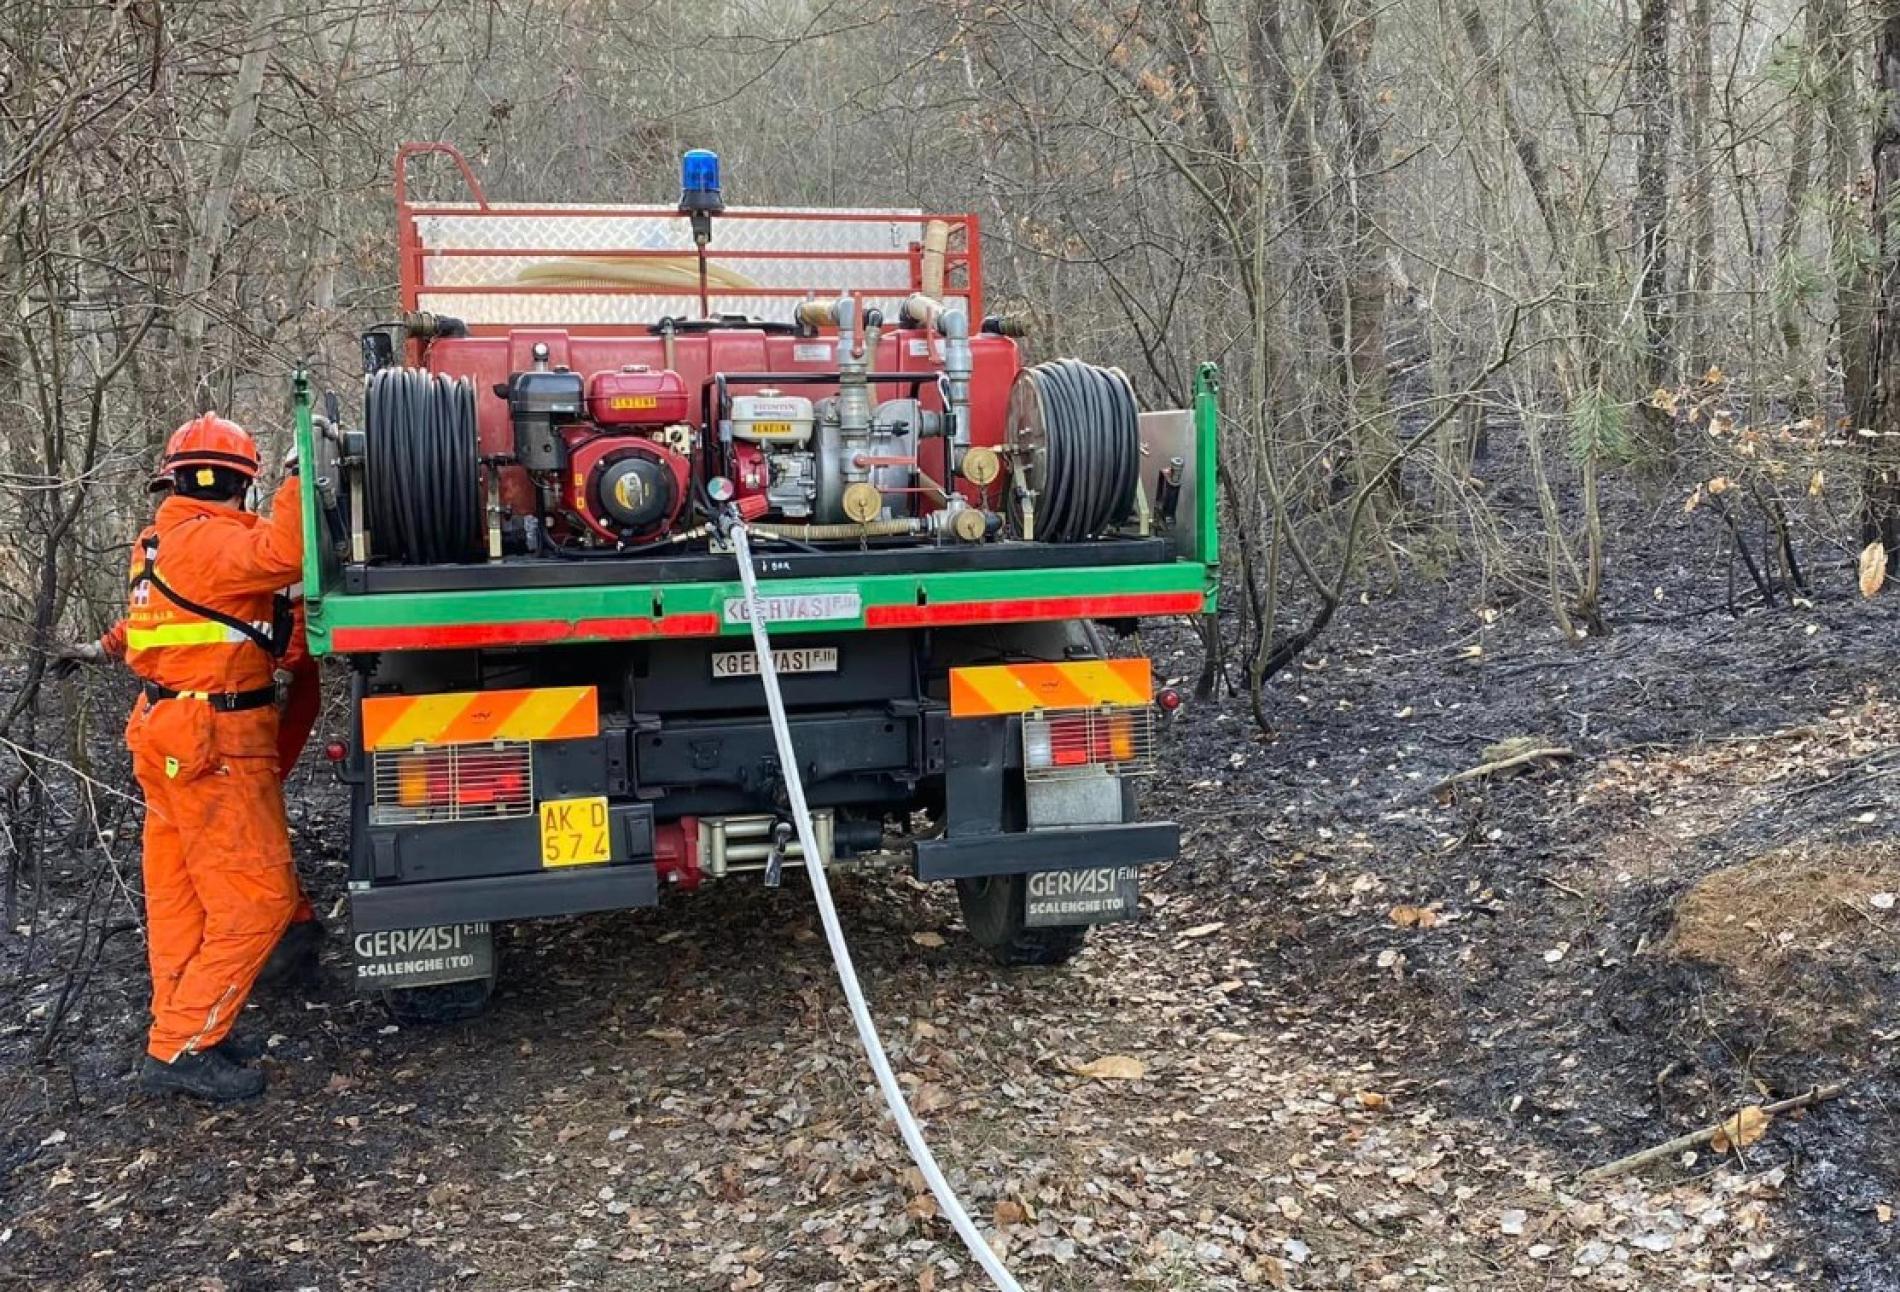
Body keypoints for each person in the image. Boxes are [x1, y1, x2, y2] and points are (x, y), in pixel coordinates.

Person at [111, 413, 306, 1102]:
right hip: (214, 743)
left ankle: (185, 1027)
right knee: (260, 901)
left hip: (165, 734)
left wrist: (102, 647)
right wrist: (301, 471)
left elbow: (146, 623)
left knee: (183, 900)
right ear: (240, 483)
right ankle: (186, 1043)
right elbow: (289, 553)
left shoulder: (156, 543)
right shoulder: (215, 544)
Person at [59, 484, 325, 986]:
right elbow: (171, 609)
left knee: (240, 835)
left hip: (229, 716)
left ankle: (288, 933)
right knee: (238, 842)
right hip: (221, 723)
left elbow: (186, 603)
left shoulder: (190, 542)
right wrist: (103, 646)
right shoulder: (205, 544)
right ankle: (285, 936)